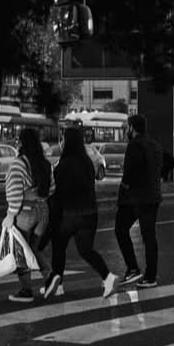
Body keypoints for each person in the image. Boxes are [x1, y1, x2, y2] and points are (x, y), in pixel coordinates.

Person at [42, 126, 120, 300]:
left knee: (59, 246)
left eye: (63, 139)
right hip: (90, 214)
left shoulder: (62, 165)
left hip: (69, 214)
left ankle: (59, 284)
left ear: (67, 142)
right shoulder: (87, 163)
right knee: (86, 250)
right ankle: (108, 277)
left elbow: (58, 194)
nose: (61, 142)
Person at [3, 127, 54, 303]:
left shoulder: (19, 163)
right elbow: (51, 188)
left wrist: (10, 215)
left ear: (21, 142)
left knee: (20, 251)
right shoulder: (45, 164)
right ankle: (50, 276)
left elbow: (15, 192)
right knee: (33, 248)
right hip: (43, 211)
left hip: (25, 212)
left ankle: (26, 290)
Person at [115, 114, 164, 288]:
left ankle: (133, 268)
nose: (126, 130)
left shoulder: (134, 145)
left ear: (132, 127)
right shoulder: (155, 144)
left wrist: (124, 188)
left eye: (127, 127)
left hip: (135, 198)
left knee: (120, 229)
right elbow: (166, 165)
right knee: (149, 237)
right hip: (153, 196)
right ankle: (151, 276)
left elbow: (129, 172)